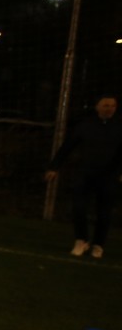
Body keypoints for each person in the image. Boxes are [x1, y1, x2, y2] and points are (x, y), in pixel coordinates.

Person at [46, 94, 122, 259]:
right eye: (106, 105)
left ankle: (98, 245)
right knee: (79, 208)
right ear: (97, 107)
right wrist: (54, 166)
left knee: (104, 213)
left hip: (109, 176)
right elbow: (68, 146)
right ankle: (81, 240)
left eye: (112, 106)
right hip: (85, 173)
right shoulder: (86, 125)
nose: (109, 109)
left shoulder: (119, 126)